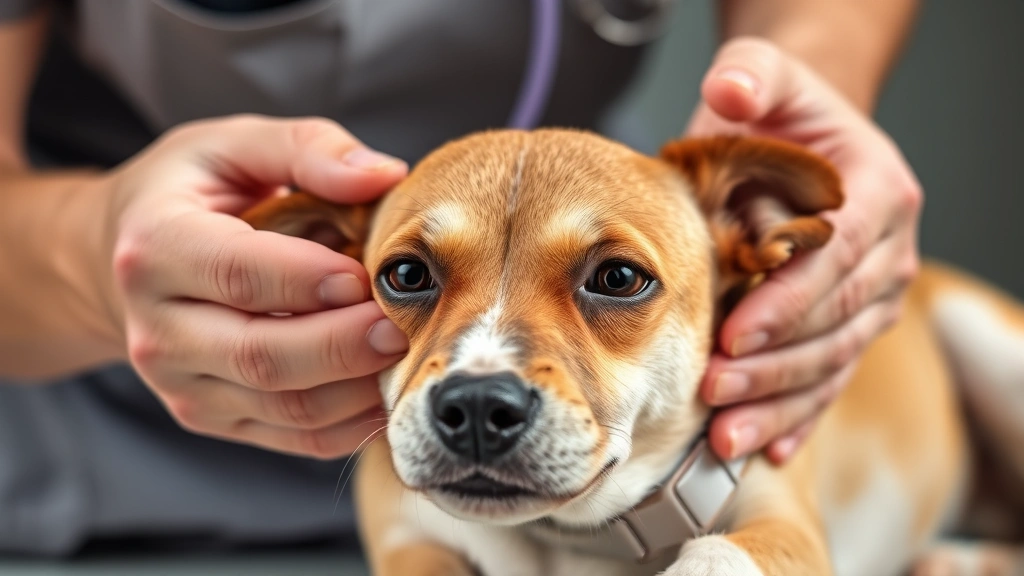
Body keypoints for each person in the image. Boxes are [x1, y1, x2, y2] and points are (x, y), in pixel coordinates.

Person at [0, 0, 922, 556]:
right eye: (408, 275)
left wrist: (801, 96)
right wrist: (90, 258)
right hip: (84, 427)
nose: (486, 383)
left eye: (611, 281)